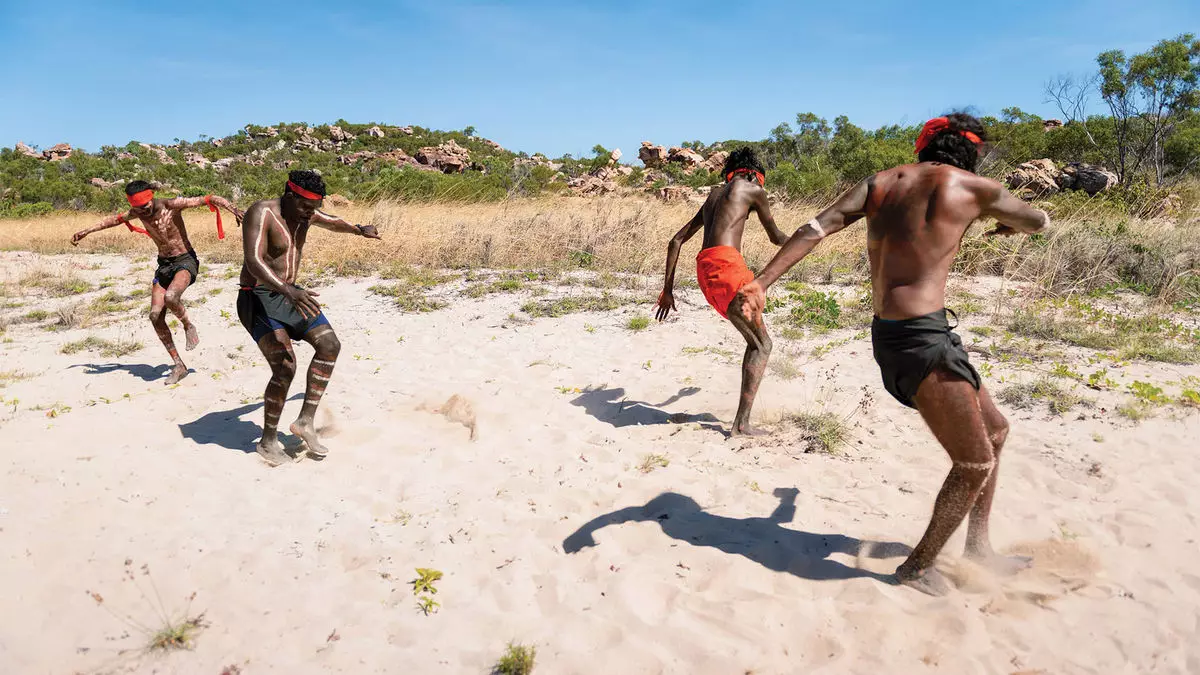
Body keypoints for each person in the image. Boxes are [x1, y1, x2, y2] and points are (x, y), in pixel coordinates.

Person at [736, 113, 1050, 595]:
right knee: (974, 462)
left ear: (925, 145)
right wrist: (1007, 220)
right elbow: (1037, 220)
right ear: (974, 151)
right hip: (921, 341)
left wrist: (761, 280)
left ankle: (979, 547)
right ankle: (917, 568)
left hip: (904, 335)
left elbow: (814, 228)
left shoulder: (880, 183)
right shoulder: (977, 189)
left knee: (997, 431)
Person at [236, 170, 380, 466]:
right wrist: (287, 289)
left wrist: (358, 229)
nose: (310, 214)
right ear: (289, 197)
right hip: (258, 297)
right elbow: (253, 260)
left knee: (330, 346)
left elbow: (332, 221)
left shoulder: (306, 213)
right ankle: (268, 441)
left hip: (290, 295)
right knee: (285, 366)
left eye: (314, 207)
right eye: (304, 207)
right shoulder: (261, 212)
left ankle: (305, 422)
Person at [654, 147, 788, 436]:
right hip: (728, 269)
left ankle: (742, 419)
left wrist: (668, 290)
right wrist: (807, 238)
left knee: (755, 343)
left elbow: (676, 241)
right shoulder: (752, 188)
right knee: (763, 345)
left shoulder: (714, 196)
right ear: (753, 173)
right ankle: (741, 425)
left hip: (705, 275)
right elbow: (776, 237)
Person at [71, 180, 243, 384]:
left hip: (185, 261)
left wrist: (234, 209)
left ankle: (188, 325)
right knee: (154, 316)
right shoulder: (137, 212)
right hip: (164, 266)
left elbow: (209, 198)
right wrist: (86, 231)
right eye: (136, 208)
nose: (141, 212)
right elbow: (114, 220)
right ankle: (179, 365)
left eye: (144, 207)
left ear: (150, 198)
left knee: (171, 297)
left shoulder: (171, 205)